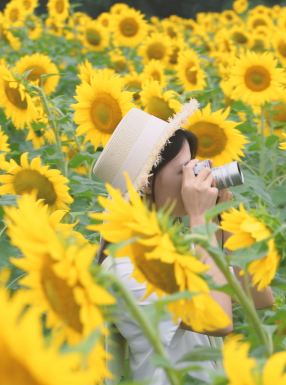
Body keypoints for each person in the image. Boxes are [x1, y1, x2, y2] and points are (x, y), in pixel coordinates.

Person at [93, 99, 274, 385]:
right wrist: (200, 217)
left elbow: (260, 298)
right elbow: (217, 320)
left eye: (196, 166)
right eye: (184, 171)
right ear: (147, 183)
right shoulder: (126, 268)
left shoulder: (180, 244)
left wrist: (220, 220)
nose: (196, 177)